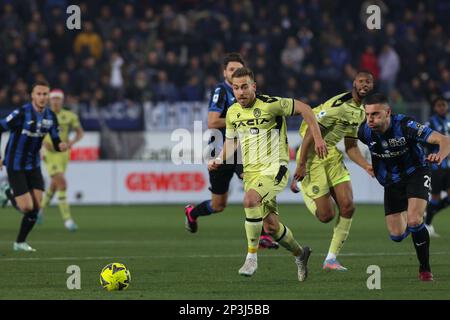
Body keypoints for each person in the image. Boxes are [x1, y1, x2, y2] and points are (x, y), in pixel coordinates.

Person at [209, 67, 328, 280]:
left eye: (245, 87)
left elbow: (305, 109)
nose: (240, 92)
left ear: (254, 86)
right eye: (236, 88)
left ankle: (251, 257)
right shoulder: (233, 112)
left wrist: (318, 139)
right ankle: (301, 254)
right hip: (252, 173)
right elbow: (231, 141)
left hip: (275, 168)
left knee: (250, 200)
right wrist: (219, 159)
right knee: (271, 227)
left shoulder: (271, 104)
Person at [184, 53, 279, 249]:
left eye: (238, 69)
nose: (235, 72)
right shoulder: (221, 90)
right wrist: (238, 121)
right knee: (218, 205)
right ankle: (192, 213)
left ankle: (262, 235)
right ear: (224, 72)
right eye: (231, 69)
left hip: (240, 149)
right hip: (220, 149)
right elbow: (212, 121)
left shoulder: (247, 93)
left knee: (252, 181)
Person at [358, 93, 450, 281]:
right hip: (391, 183)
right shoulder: (364, 132)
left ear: (388, 112)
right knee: (397, 235)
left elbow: (445, 140)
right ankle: (415, 221)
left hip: (416, 172)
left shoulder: (405, 126)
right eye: (367, 115)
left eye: (375, 114)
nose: (370, 119)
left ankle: (425, 269)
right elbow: (349, 145)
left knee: (415, 221)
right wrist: (364, 164)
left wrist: (440, 155)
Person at [290, 71, 375, 271]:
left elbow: (351, 146)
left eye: (368, 82)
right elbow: (312, 130)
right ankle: (303, 186)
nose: (365, 85)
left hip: (332, 154)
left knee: (348, 206)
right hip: (312, 156)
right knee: (326, 215)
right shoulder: (339, 105)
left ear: (372, 86)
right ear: (354, 83)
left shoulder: (361, 112)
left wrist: (366, 166)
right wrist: (301, 164)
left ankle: (330, 259)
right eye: (361, 81)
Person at [0, 80, 67, 252]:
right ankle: (7, 191)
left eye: (45, 94)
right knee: (27, 207)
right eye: (39, 94)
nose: (42, 97)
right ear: (32, 95)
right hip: (15, 164)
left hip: (34, 164)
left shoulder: (51, 116)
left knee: (36, 209)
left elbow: (55, 138)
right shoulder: (21, 113)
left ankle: (20, 243)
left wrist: (60, 145)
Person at [39, 89, 84, 231]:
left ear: (62, 100)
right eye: (53, 99)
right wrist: (42, 143)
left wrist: (71, 143)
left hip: (64, 154)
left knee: (54, 184)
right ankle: (67, 220)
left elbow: (80, 133)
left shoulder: (69, 116)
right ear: (49, 100)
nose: (56, 101)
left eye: (58, 98)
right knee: (62, 183)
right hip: (50, 154)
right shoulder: (42, 115)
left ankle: (39, 210)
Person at [424, 97, 449, 237]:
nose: (442, 108)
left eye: (443, 105)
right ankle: (427, 224)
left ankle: (427, 213)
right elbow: (424, 141)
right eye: (439, 105)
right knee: (436, 197)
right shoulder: (430, 122)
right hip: (437, 166)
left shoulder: (448, 122)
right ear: (435, 108)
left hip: (449, 166)